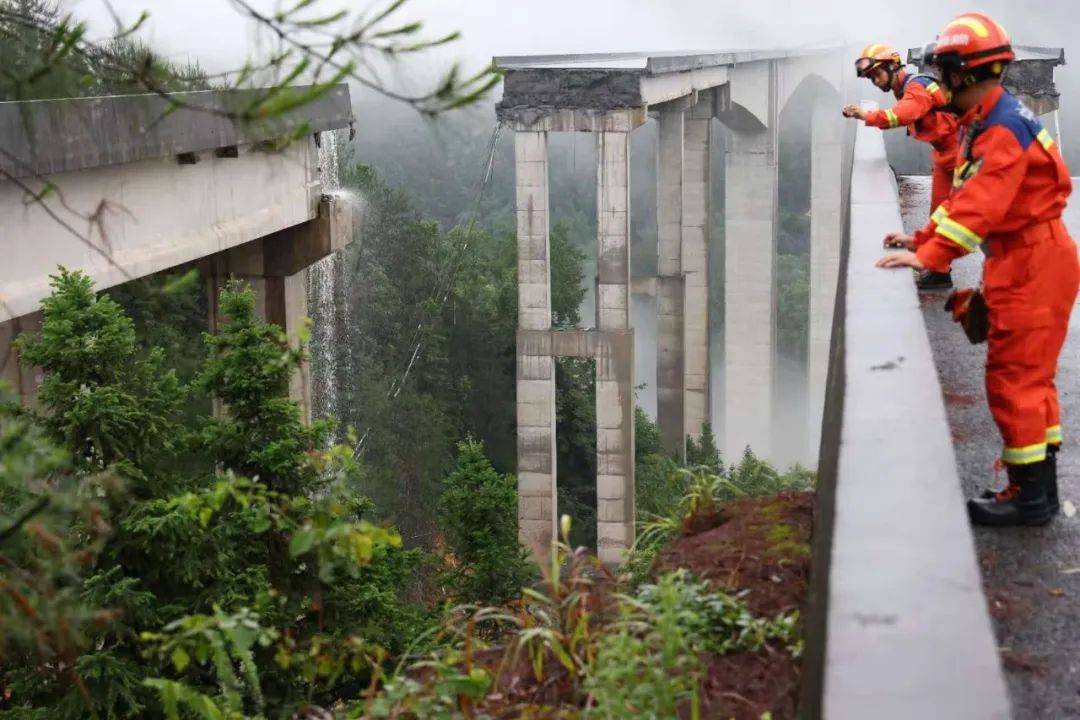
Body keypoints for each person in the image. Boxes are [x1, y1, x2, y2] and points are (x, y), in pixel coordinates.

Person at [876, 12, 1078, 526]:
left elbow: (981, 204)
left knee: (1014, 381)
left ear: (963, 72)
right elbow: (962, 198)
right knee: (1032, 380)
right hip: (1026, 258)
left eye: (944, 72)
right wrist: (924, 237)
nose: (940, 82)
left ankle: (1028, 498)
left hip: (1031, 263)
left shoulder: (999, 130)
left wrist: (930, 257)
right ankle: (1040, 490)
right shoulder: (989, 119)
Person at [844, 43, 959, 289]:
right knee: (938, 215)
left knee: (976, 214)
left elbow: (901, 115)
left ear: (892, 66)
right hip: (944, 156)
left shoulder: (917, 87)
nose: (876, 81)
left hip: (963, 155)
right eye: (871, 78)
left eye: (877, 74)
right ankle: (938, 271)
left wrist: (865, 115)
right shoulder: (906, 89)